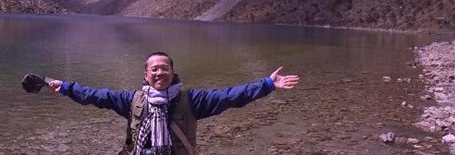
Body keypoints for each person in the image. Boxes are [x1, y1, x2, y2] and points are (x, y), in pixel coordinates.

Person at [47, 51, 299, 155]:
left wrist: (266, 84)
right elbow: (96, 96)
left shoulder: (192, 101)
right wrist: (67, 88)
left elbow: (231, 96)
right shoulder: (132, 100)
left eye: (164, 68)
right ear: (145, 75)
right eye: (154, 69)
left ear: (173, 72)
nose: (159, 73)